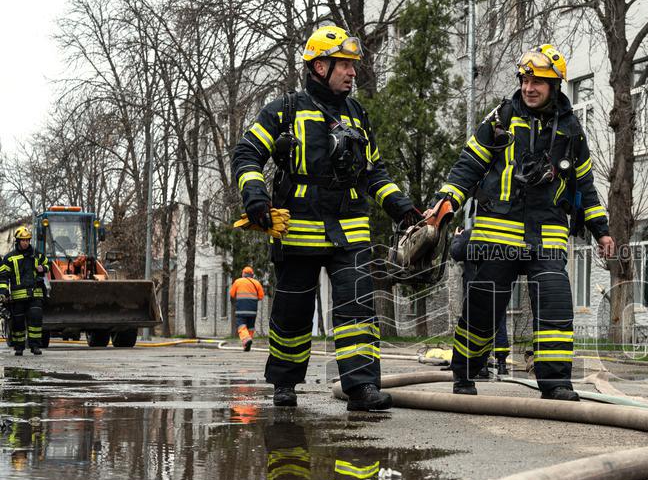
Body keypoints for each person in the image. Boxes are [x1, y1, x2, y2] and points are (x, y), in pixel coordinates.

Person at [232, 25, 420, 409]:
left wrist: (401, 207)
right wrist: (254, 193)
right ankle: (284, 384)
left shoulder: (357, 114)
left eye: (353, 66)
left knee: (357, 309)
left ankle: (361, 387)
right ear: (320, 66)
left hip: (349, 230)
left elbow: (374, 173)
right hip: (297, 229)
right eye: (344, 65)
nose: (352, 73)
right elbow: (247, 153)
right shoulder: (284, 110)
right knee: (293, 312)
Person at [435, 44, 614, 399]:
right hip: (497, 233)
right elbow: (469, 164)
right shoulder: (501, 118)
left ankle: (556, 383)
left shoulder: (572, 131)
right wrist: (448, 200)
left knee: (555, 309)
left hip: (547, 235)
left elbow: (585, 186)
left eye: (539, 82)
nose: (530, 88)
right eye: (525, 80)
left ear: (555, 86)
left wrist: (602, 231)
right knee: (483, 309)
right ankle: (465, 375)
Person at [450, 227, 509, 376]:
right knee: (499, 321)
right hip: (497, 285)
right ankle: (502, 364)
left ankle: (481, 366)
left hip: (474, 286)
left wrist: (457, 237)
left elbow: (456, 253)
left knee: (476, 325)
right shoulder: (499, 234)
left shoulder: (469, 234)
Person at [0, 226, 49, 356]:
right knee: (18, 324)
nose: (26, 242)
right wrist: (3, 292)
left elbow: (47, 264)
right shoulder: (9, 258)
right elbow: (3, 277)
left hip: (35, 294)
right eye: (23, 240)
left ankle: (35, 346)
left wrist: (43, 268)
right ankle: (19, 347)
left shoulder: (37, 254)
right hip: (17, 297)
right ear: (17, 241)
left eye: (27, 240)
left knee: (36, 321)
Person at [230, 266, 265, 351]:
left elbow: (232, 294)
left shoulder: (237, 282)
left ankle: (247, 340)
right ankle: (246, 346)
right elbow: (261, 296)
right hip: (253, 310)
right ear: (252, 275)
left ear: (243, 274)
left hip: (241, 309)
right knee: (250, 327)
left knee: (241, 326)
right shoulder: (256, 283)